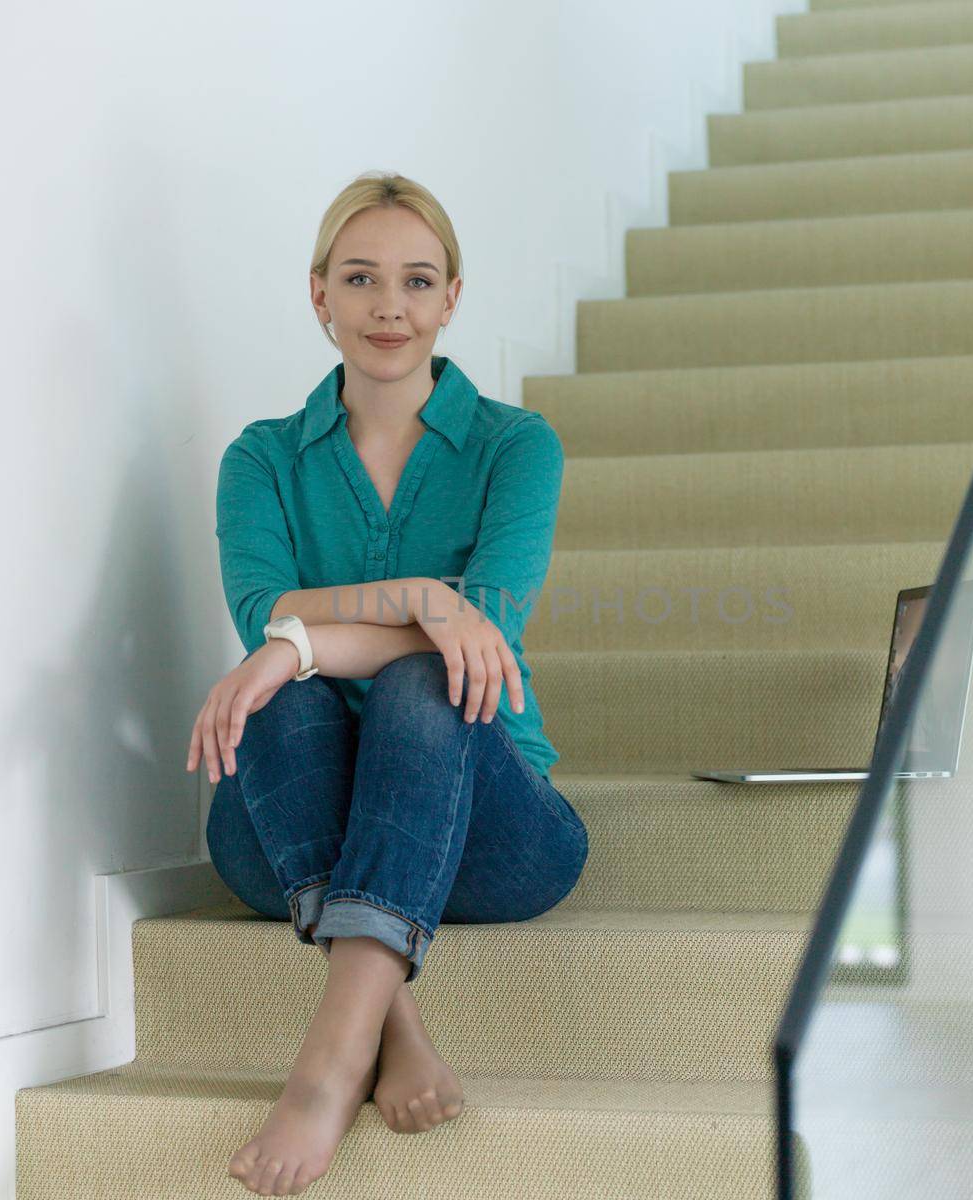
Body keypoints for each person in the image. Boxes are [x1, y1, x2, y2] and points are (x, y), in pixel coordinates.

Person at [184, 171, 588, 1197]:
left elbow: (477, 640)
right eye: (359, 279)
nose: (388, 307)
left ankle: (326, 1067)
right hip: (281, 822)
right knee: (292, 692)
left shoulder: (515, 446)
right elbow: (268, 619)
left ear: (452, 298)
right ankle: (389, 1022)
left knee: (424, 684)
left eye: (416, 281)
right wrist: (413, 596)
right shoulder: (262, 461)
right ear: (318, 294)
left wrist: (304, 639)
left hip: (492, 834)